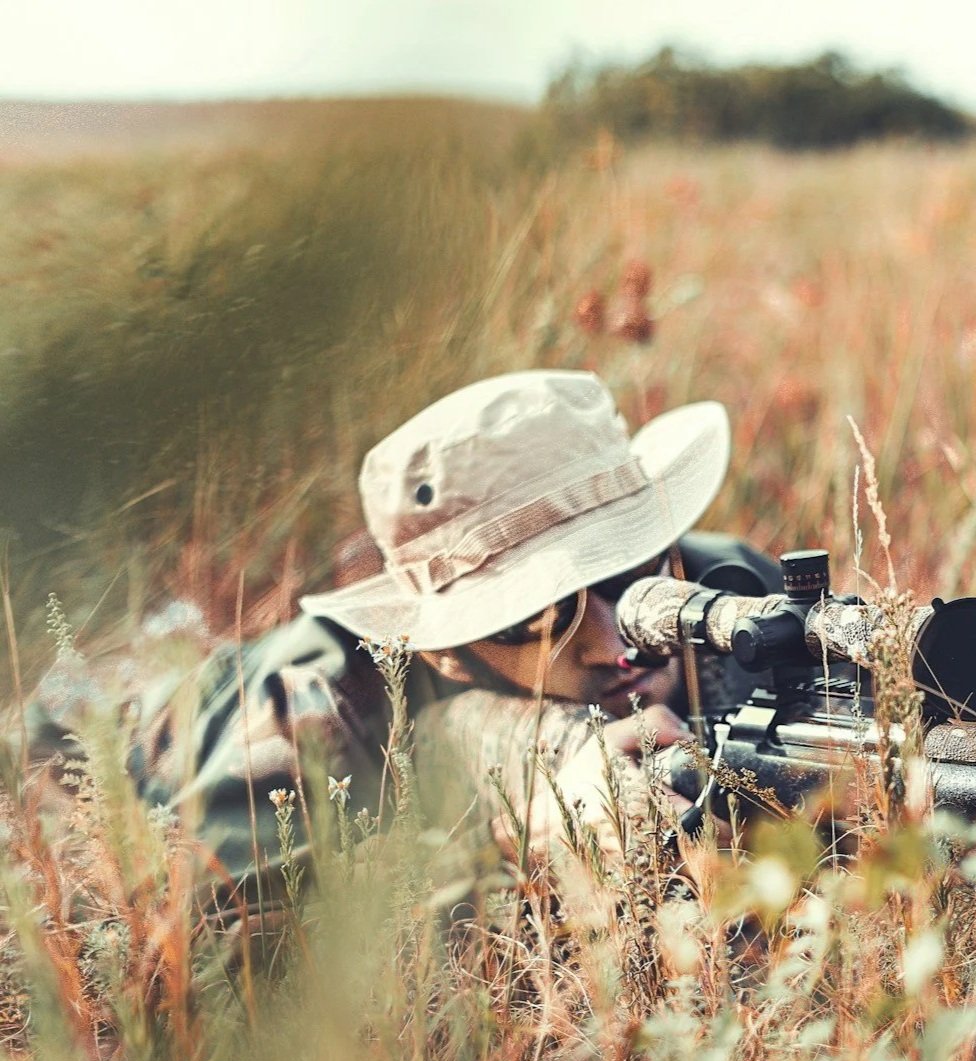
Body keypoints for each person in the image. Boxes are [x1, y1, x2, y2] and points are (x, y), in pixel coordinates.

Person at [26, 368, 780, 940]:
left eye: (633, 567)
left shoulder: (725, 588)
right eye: (540, 614)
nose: (619, 638)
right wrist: (506, 847)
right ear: (448, 652)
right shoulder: (311, 714)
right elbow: (211, 954)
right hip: (127, 727)